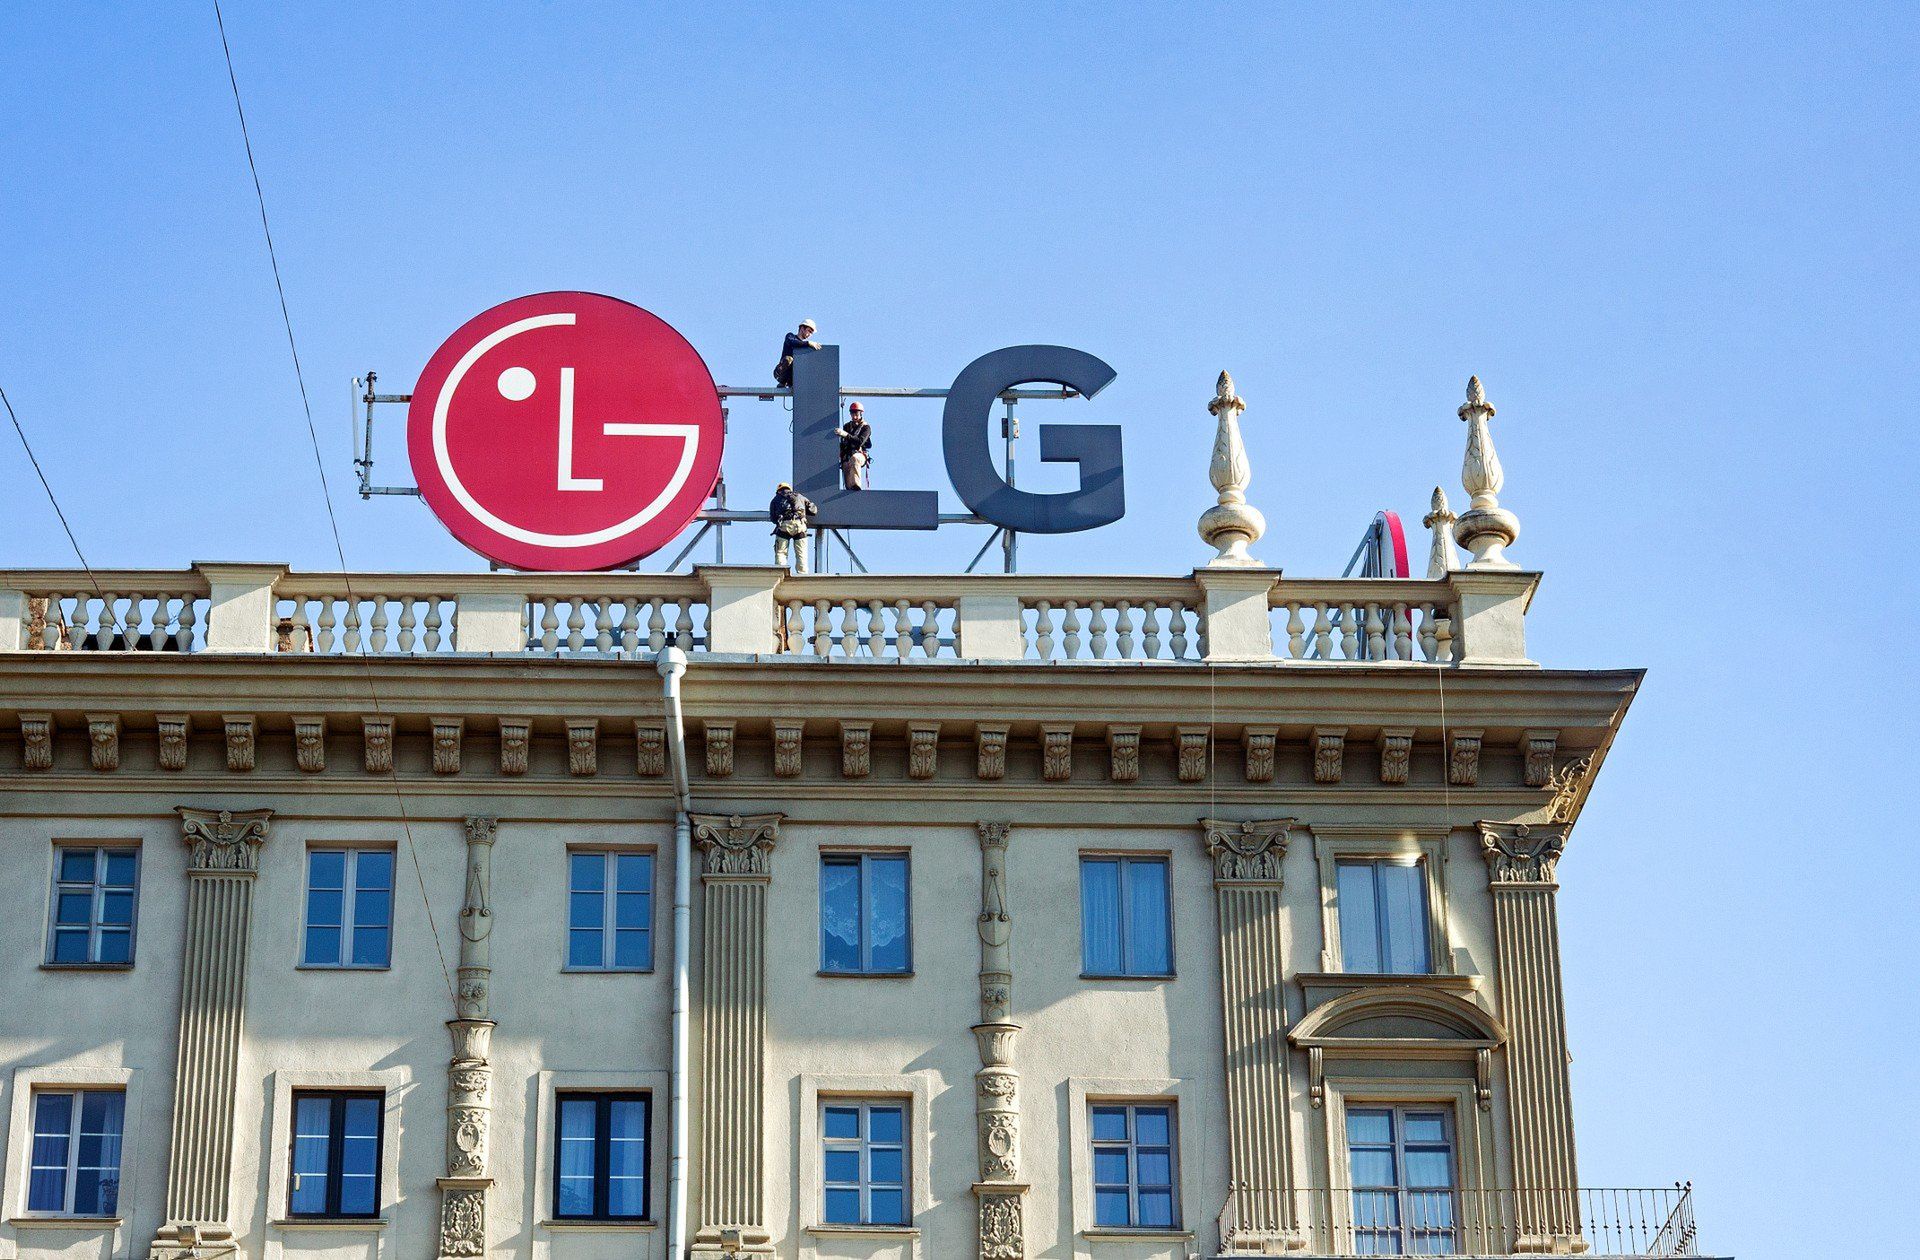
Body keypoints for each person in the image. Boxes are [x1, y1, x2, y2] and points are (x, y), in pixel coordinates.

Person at [768, 481, 817, 572]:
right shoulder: (799, 496)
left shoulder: (775, 499)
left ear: (778, 491)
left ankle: (780, 572)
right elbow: (813, 510)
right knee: (801, 553)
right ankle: (802, 574)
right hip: (800, 525)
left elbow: (773, 518)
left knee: (781, 552)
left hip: (784, 526)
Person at [835, 401, 872, 490]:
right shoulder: (847, 426)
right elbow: (844, 443)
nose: (854, 416)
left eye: (856, 413)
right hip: (848, 455)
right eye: (852, 413)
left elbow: (860, 442)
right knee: (846, 465)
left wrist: (845, 435)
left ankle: (856, 486)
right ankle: (849, 490)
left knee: (855, 459)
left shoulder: (865, 427)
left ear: (860, 413)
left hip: (858, 454)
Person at [772, 319, 819, 389]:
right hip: (782, 371)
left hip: (793, 376)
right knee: (789, 359)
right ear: (802, 328)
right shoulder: (790, 336)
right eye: (809, 331)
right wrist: (808, 343)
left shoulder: (805, 347)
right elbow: (793, 343)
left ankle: (792, 383)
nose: (810, 334)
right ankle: (782, 381)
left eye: (811, 333)